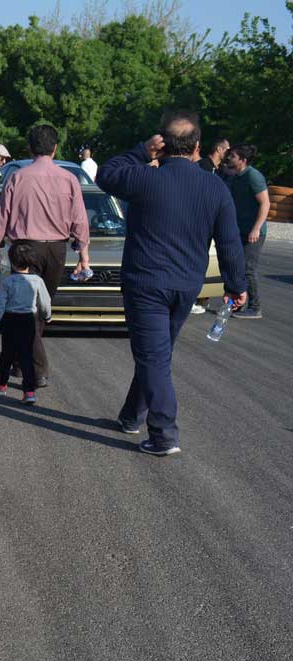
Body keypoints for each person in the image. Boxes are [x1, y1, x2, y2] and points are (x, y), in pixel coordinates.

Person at [96, 111, 247, 456]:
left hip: (146, 283)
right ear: (197, 146)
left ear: (161, 144)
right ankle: (131, 416)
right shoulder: (215, 187)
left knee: (153, 357)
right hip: (186, 287)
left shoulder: (145, 177)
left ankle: (164, 434)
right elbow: (229, 243)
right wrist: (236, 285)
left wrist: (140, 150)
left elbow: (106, 175)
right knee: (157, 355)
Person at [0, 124, 91, 388]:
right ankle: (27, 364)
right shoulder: (69, 179)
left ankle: (35, 367)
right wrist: (84, 255)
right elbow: (80, 219)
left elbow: (2, 215)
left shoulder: (17, 177)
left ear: (30, 148)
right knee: (40, 307)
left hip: (25, 247)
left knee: (26, 308)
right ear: (55, 148)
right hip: (56, 250)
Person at [0, 242, 52, 405]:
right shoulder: (37, 281)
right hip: (29, 321)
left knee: (7, 354)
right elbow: (45, 301)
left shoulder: (8, 282)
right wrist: (47, 315)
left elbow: (0, 304)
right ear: (31, 261)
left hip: (10, 320)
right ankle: (29, 392)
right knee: (27, 356)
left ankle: (1, 384)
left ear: (12, 262)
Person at [224, 143, 269, 320]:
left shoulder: (253, 176)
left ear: (242, 160)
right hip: (240, 229)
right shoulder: (235, 176)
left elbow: (265, 203)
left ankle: (255, 307)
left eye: (233, 156)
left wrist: (256, 229)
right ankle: (236, 303)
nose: (229, 158)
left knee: (247, 269)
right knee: (236, 267)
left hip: (253, 232)